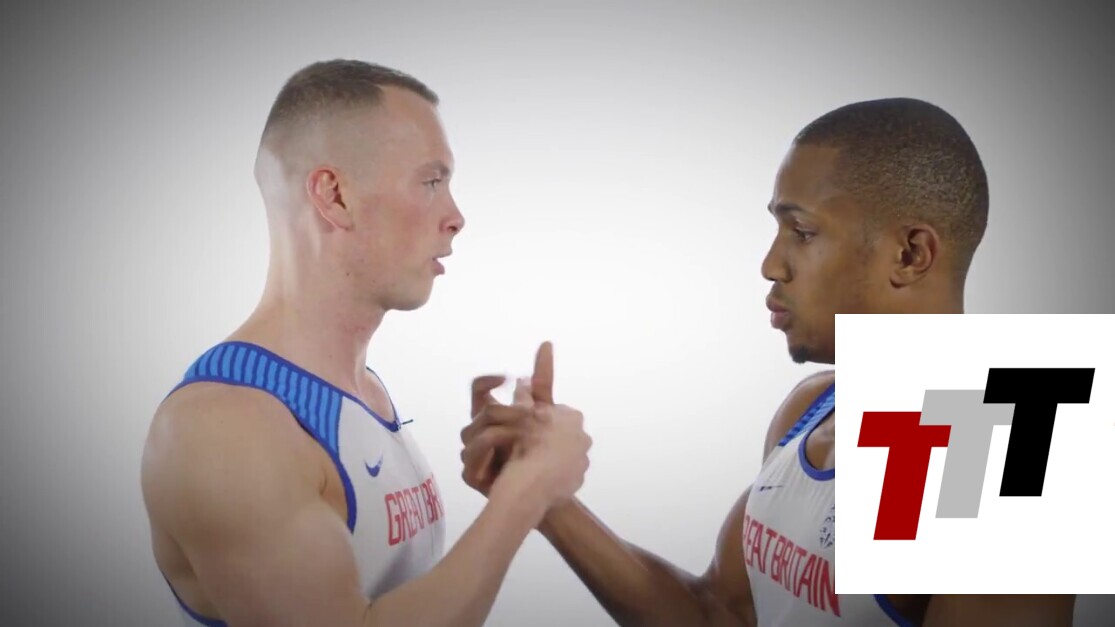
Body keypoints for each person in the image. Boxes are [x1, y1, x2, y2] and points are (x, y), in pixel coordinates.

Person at [461, 97, 1076, 626]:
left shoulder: (1012, 455)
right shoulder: (811, 408)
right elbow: (720, 613)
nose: (770, 264)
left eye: (801, 232)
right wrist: (543, 499)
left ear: (911, 254)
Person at [140, 59, 592, 627]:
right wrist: (524, 496)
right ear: (334, 196)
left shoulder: (361, 390)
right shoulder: (223, 429)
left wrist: (524, 480)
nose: (456, 217)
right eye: (431, 182)